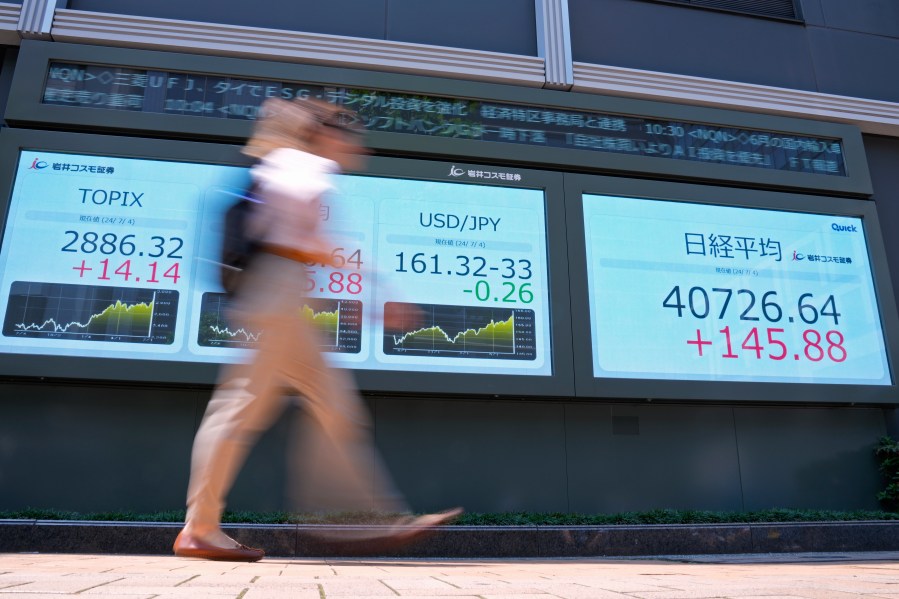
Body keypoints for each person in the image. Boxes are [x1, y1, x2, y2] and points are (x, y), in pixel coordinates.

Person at [174, 97, 460, 562]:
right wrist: (375, 288)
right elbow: (303, 239)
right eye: (350, 138)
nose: (356, 149)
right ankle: (355, 522)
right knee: (319, 406)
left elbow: (289, 235)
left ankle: (202, 527)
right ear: (325, 135)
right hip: (278, 289)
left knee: (248, 407)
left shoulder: (281, 163)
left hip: (268, 292)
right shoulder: (304, 166)